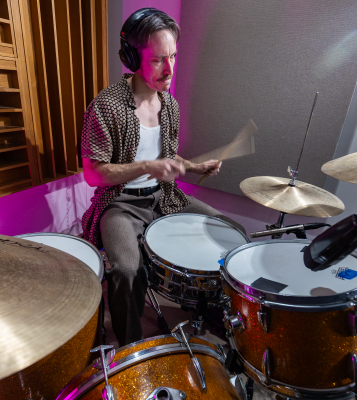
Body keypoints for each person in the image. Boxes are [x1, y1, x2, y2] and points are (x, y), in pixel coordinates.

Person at [80, 7, 245, 346]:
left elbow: (165, 157)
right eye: (157, 60)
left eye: (172, 57)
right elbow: (94, 174)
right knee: (127, 270)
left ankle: (217, 316)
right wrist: (146, 167)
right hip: (120, 203)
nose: (169, 69)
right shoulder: (106, 106)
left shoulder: (170, 105)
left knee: (232, 232)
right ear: (131, 58)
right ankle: (132, 346)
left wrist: (195, 167)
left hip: (164, 196)